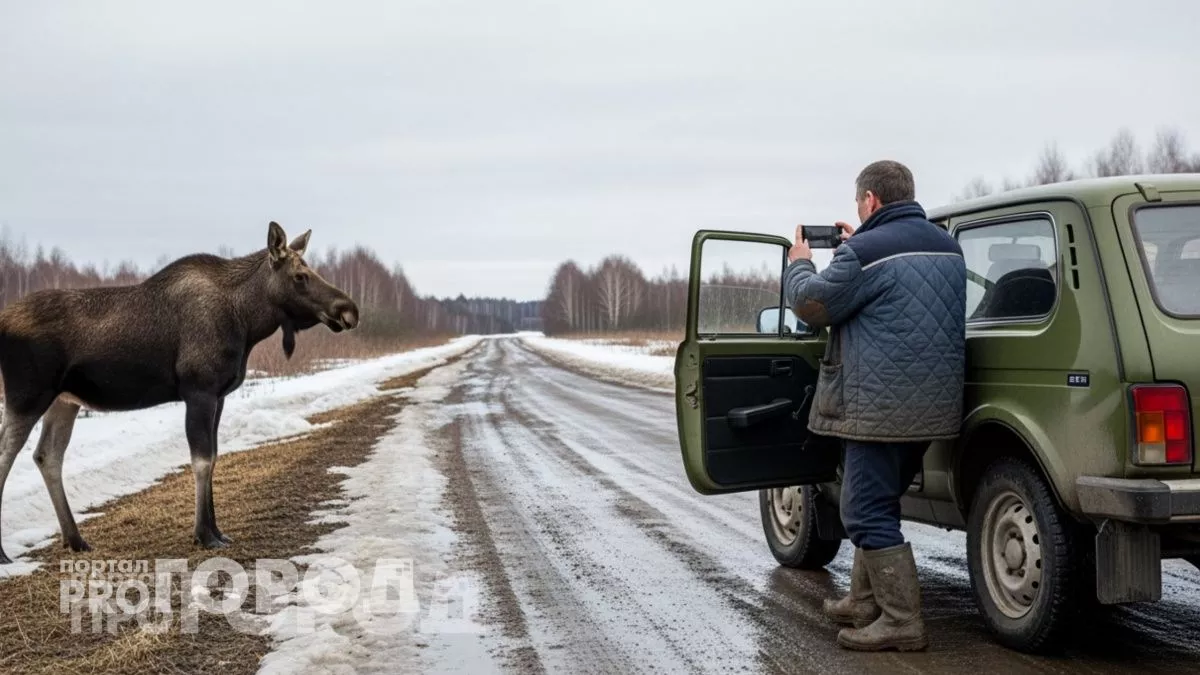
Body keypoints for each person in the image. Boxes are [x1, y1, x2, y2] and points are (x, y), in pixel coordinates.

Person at [783, 160, 967, 652]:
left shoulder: (865, 252)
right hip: (934, 405)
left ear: (870, 202)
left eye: (857, 202)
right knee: (879, 500)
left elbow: (812, 305)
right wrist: (856, 245)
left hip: (881, 407)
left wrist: (799, 261)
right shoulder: (947, 245)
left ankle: (902, 622)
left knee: (863, 509)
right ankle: (865, 602)